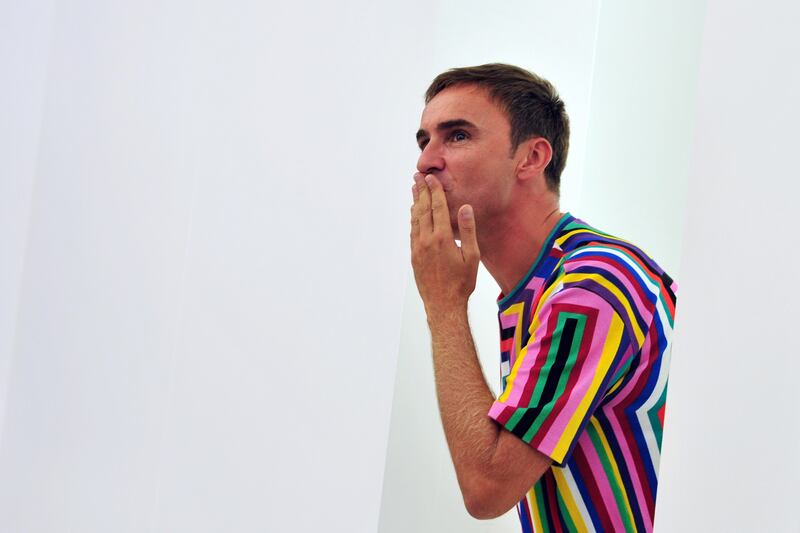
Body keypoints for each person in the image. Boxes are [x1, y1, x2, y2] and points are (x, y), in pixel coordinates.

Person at [409, 63, 677, 532]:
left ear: (531, 158)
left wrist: (444, 306)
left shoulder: (593, 286)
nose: (426, 162)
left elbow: (487, 487)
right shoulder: (543, 287)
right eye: (423, 141)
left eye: (457, 136)